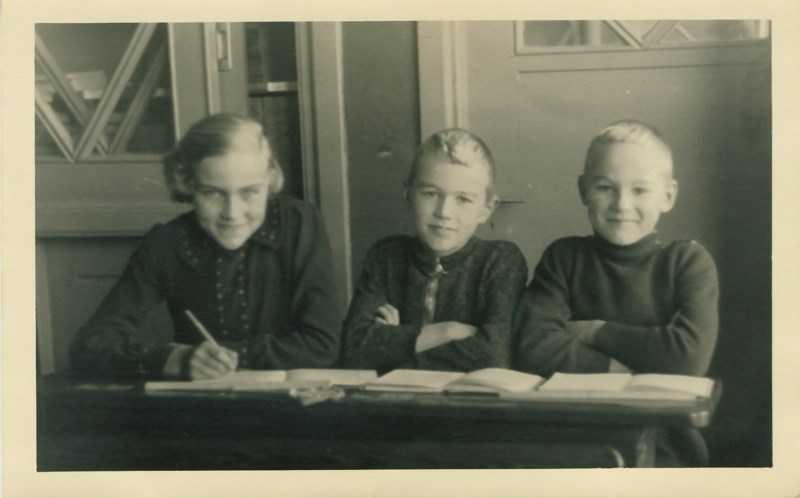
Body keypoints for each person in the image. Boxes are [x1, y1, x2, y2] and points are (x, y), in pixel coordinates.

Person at [70, 113, 341, 380]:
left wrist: (226, 356)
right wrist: (176, 358)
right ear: (186, 182)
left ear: (269, 181)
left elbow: (322, 346)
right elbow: (89, 346)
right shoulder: (167, 242)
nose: (232, 213)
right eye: (212, 193)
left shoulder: (298, 223)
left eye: (250, 192)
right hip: (202, 410)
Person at [513, 120, 719, 465]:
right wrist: (622, 371)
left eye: (640, 190)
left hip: (662, 443)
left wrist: (596, 331)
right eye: (606, 188)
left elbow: (688, 358)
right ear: (583, 190)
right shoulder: (564, 258)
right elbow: (532, 345)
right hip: (569, 439)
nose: (621, 204)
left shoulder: (687, 262)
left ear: (668, 195)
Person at [342, 128, 528, 373]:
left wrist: (394, 343)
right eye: (431, 194)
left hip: (471, 408)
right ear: (408, 193)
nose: (444, 212)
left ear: (486, 208)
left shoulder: (500, 261)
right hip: (393, 405)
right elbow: (352, 352)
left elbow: (493, 356)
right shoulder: (386, 256)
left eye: (463, 199)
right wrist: (447, 331)